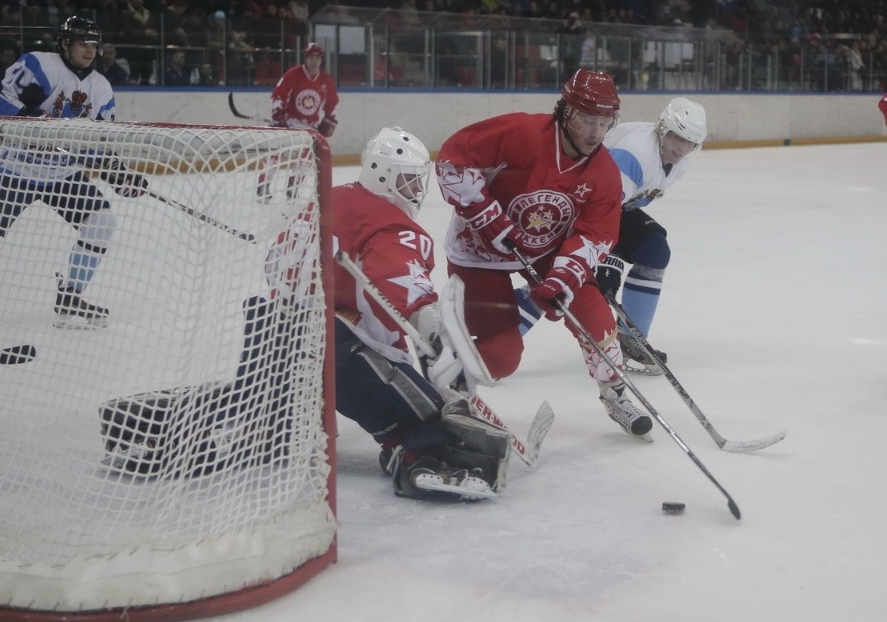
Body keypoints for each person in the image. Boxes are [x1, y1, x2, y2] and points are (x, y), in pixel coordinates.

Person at [268, 126, 511, 499]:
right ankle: (423, 460)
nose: (415, 190)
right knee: (430, 418)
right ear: (381, 175)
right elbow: (400, 281)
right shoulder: (388, 222)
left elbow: (276, 266)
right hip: (333, 350)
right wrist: (434, 333)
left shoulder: (328, 198)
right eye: (408, 180)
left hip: (270, 337)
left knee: (264, 428)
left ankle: (195, 423)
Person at [433, 69, 653, 442]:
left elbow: (596, 233)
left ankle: (614, 392)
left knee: (594, 312)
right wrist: (486, 216)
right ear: (566, 112)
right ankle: (445, 370)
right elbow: (453, 161)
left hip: (546, 249)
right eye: (587, 120)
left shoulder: (603, 172)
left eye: (605, 123)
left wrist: (564, 276)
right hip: (479, 250)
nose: (596, 134)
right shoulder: (521, 133)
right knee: (503, 357)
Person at [0, 16, 148, 334]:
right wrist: (24, 116)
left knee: (101, 223)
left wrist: (118, 174)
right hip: (15, 169)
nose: (90, 50)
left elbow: (97, 141)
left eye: (94, 44)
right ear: (65, 44)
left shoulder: (101, 87)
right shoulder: (38, 65)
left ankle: (69, 298)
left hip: (63, 174)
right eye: (83, 43)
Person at [516, 97, 708, 376]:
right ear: (662, 129)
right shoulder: (635, 155)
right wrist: (610, 258)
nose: (681, 147)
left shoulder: (679, 160)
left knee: (654, 250)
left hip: (606, 210)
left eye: (690, 141)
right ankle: (495, 331)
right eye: (677, 137)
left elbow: (616, 209)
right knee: (563, 282)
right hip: (574, 210)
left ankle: (630, 339)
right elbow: (600, 209)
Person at [257, 42, 339, 201]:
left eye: (317, 58)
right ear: (305, 58)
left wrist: (330, 120)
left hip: (309, 127)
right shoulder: (293, 74)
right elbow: (278, 96)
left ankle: (293, 188)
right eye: (311, 58)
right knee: (275, 154)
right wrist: (278, 117)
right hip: (289, 123)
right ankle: (263, 186)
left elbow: (332, 104)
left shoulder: (326, 80)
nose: (314, 61)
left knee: (306, 158)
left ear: (321, 59)